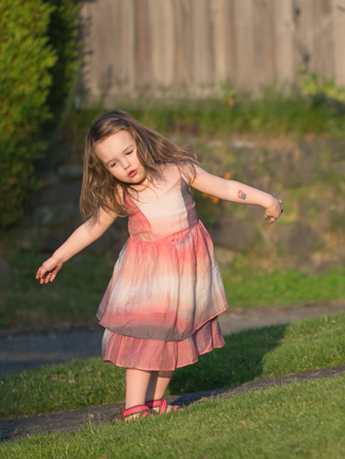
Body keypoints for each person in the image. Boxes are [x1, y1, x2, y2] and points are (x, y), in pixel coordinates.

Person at [36, 110, 283, 421]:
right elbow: (92, 227)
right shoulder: (120, 193)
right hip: (147, 278)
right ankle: (134, 407)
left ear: (140, 141)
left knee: (175, 334)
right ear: (105, 169)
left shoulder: (181, 171)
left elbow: (225, 187)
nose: (125, 165)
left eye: (128, 152)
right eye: (113, 163)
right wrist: (58, 256)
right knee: (144, 337)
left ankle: (154, 401)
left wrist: (266, 200)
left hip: (186, 274)